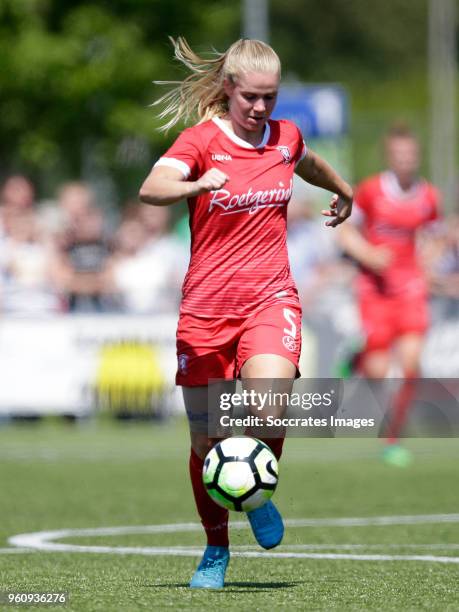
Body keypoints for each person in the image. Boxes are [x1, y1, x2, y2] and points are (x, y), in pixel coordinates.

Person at [139, 37, 353, 589]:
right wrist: (195, 181)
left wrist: (344, 189)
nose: (261, 109)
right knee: (203, 440)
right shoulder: (202, 142)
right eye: (251, 97)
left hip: (270, 297)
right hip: (206, 312)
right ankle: (215, 547)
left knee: (270, 406)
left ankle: (257, 490)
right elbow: (151, 187)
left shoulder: (285, 136)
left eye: (270, 97)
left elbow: (308, 162)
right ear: (229, 89)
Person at [338, 124, 441, 466]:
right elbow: (344, 230)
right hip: (375, 291)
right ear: (389, 158)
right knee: (380, 372)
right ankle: (359, 358)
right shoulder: (370, 192)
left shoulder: (428, 196)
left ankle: (393, 437)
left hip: (410, 290)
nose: (406, 161)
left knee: (410, 363)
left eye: (411, 155)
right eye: (399, 155)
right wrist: (368, 254)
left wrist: (426, 263)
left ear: (418, 156)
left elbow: (435, 236)